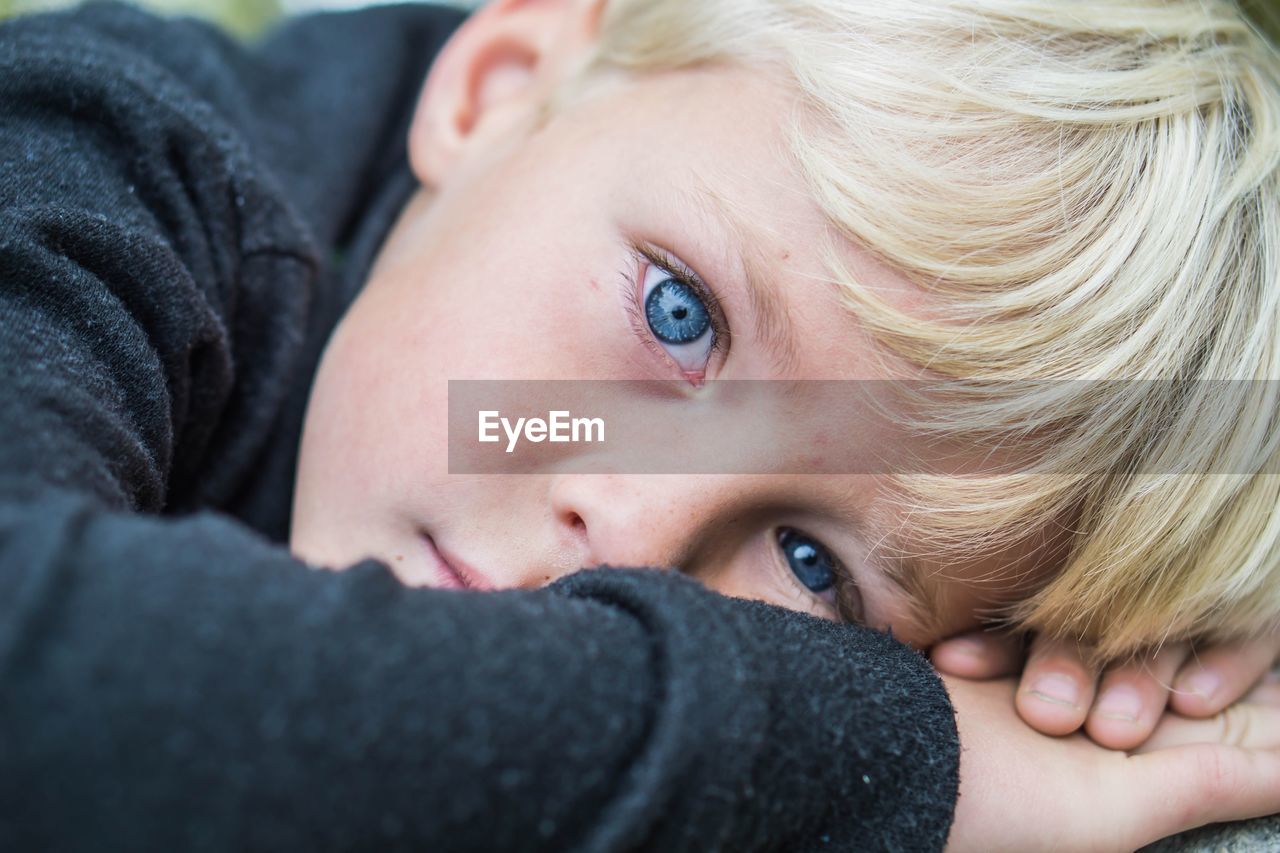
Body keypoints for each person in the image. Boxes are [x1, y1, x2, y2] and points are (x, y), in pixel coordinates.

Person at [0, 1, 1277, 852]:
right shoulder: (85, 158)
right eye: (680, 316)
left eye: (814, 564)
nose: (629, 532)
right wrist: (905, 764)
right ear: (501, 88)